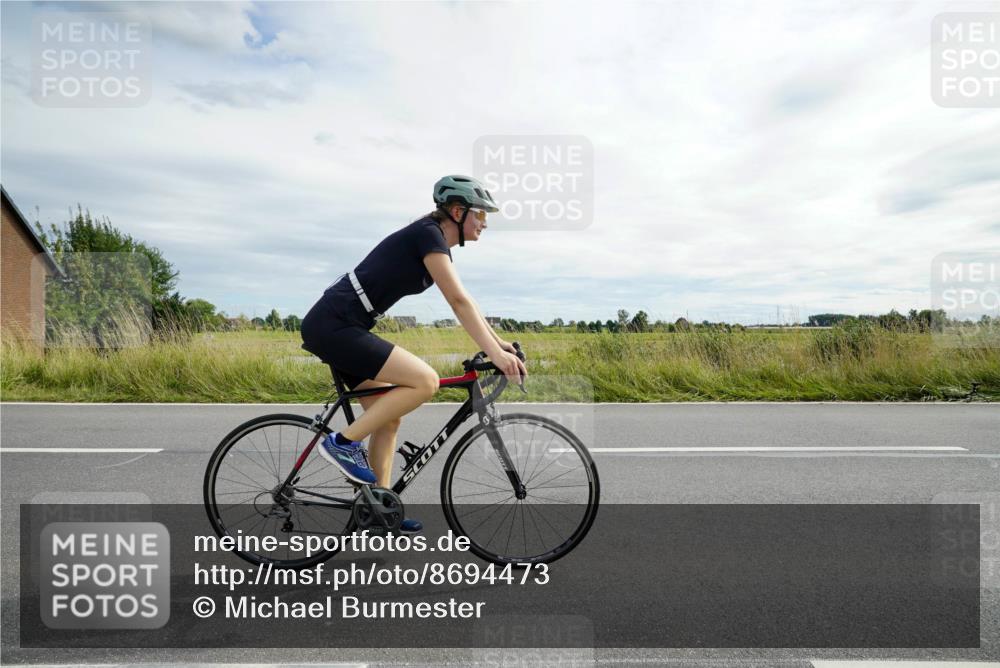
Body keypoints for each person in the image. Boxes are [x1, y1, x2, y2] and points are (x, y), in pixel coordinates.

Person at [300, 175, 528, 534]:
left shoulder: (434, 241)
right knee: (425, 381)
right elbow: (458, 301)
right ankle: (342, 443)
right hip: (335, 324)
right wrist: (494, 354)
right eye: (480, 215)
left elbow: (466, 300)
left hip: (344, 325)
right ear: (457, 211)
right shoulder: (428, 234)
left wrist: (497, 344)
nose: (485, 223)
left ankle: (378, 508)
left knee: (388, 418)